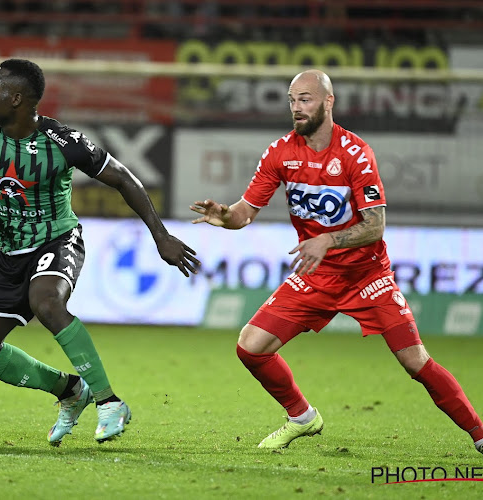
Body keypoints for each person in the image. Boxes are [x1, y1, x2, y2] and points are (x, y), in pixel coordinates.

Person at [190, 69, 483, 454]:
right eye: (292, 100)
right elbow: (244, 213)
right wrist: (224, 216)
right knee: (251, 346)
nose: (296, 107)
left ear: (329, 102)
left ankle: (479, 435)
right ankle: (302, 417)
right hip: (317, 274)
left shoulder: (356, 154)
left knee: (416, 363)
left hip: (367, 275)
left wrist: (326, 239)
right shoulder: (280, 152)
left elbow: (375, 226)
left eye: (305, 99)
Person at [0, 59, 200, 445]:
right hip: (8, 253)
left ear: (16, 98)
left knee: (47, 302)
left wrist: (160, 235)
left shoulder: (62, 142)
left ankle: (109, 402)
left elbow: (123, 178)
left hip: (57, 240)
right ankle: (70, 390)